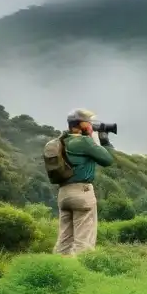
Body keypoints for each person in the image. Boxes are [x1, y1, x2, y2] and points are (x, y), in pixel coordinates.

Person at [51, 108, 115, 256]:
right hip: (81, 193)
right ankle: (81, 273)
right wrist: (104, 139)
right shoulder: (84, 141)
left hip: (63, 193)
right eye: (90, 123)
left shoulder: (61, 141)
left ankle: (58, 270)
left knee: (64, 240)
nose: (92, 125)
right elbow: (108, 160)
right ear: (83, 125)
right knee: (84, 241)